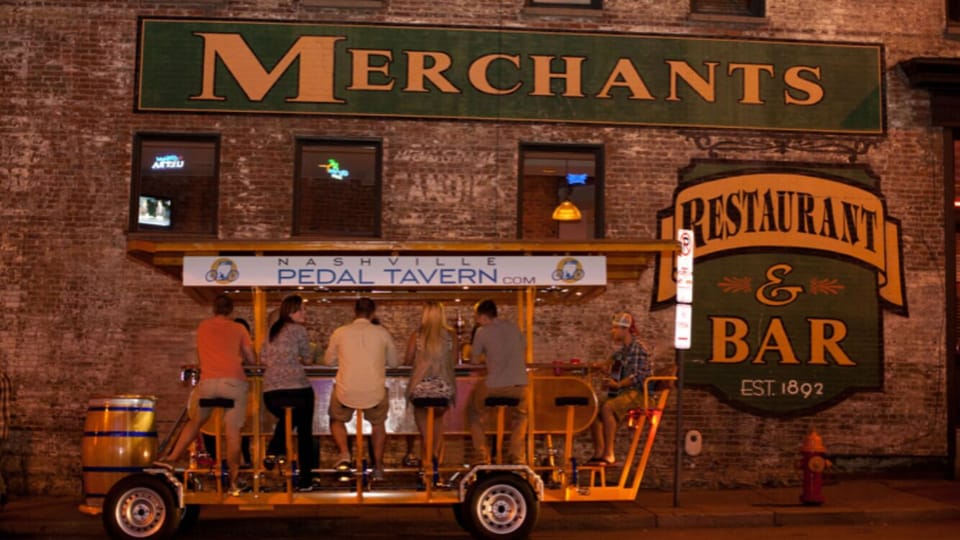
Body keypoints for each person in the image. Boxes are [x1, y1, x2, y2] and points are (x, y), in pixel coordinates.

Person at [156, 294, 254, 496]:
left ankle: (172, 458)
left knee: (195, 421)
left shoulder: (203, 327)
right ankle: (234, 481)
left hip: (208, 384)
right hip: (233, 383)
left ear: (213, 309)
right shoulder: (239, 328)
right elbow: (251, 358)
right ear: (231, 310)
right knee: (233, 431)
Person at [322, 298, 399, 480]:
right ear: (373, 313)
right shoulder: (382, 333)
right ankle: (378, 466)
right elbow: (395, 363)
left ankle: (344, 453)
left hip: (346, 391)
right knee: (378, 424)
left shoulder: (340, 332)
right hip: (375, 392)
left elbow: (328, 361)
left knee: (336, 419)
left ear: (354, 312)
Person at [260, 295, 317, 492]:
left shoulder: (271, 331)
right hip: (297, 389)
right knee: (305, 431)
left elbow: (263, 358)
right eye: (302, 310)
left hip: (271, 393)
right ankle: (306, 478)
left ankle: (274, 450)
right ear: (291, 312)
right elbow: (308, 359)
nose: (305, 313)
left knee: (288, 417)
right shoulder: (299, 330)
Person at [465, 299, 528, 465]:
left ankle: (480, 456)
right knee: (521, 416)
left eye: (477, 317)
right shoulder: (514, 328)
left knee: (473, 411)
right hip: (520, 385)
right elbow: (523, 347)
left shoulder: (481, 331)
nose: (477, 320)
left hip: (494, 385)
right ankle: (517, 457)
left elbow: (474, 360)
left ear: (483, 317)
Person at [587, 311, 652, 466]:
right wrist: (603, 366)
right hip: (625, 392)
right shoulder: (623, 350)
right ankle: (599, 452)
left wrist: (618, 384)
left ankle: (609, 454)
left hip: (639, 393)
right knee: (593, 407)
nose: (613, 331)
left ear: (626, 329)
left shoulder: (638, 348)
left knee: (608, 407)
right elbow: (613, 362)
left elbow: (638, 376)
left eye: (616, 328)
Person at [404, 302, 457, 465]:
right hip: (444, 388)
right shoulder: (451, 335)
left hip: (421, 387)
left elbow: (408, 360)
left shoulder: (417, 335)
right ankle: (434, 456)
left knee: (420, 411)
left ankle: (429, 451)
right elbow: (454, 360)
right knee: (438, 416)